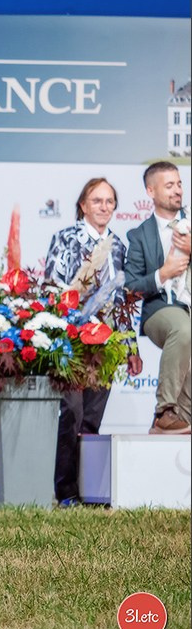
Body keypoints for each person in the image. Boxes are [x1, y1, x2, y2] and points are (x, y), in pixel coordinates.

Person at [44, 178, 144, 505]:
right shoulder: (64, 239)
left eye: (109, 201)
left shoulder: (118, 245)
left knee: (92, 417)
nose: (104, 206)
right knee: (71, 411)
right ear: (83, 205)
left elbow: (124, 301)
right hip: (72, 341)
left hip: (106, 343)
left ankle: (88, 490)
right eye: (96, 200)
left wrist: (130, 347)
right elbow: (51, 288)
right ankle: (65, 491)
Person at [125, 162, 191, 434]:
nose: (177, 190)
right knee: (184, 329)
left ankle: (176, 424)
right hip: (161, 309)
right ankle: (164, 410)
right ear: (151, 191)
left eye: (179, 183)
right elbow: (131, 285)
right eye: (169, 185)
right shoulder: (140, 235)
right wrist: (161, 274)